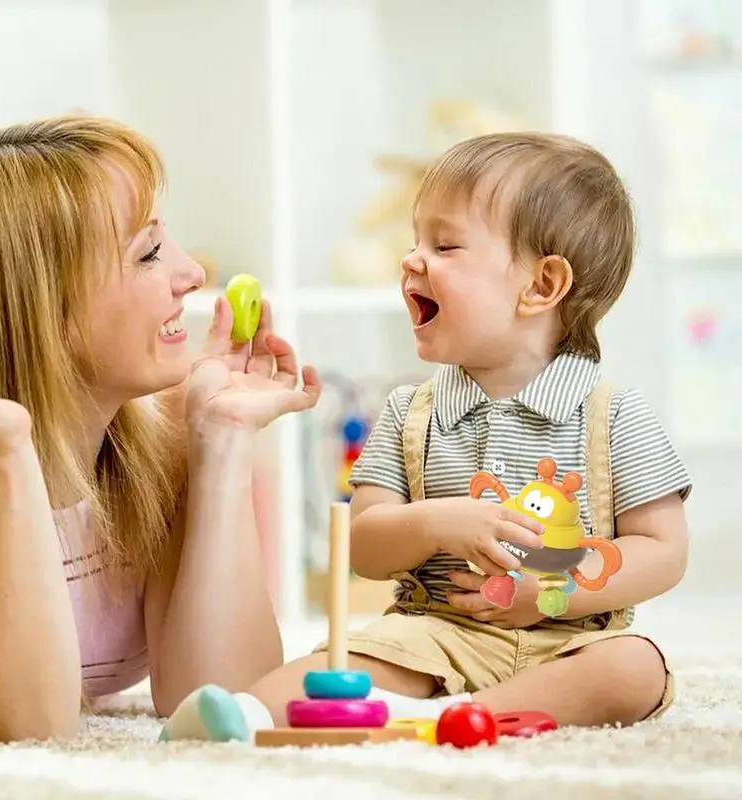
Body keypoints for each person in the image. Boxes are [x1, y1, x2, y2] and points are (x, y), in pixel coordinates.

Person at [163, 131, 691, 742]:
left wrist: (548, 596)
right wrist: (442, 523)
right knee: (327, 668)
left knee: (637, 668)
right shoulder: (411, 411)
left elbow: (662, 551)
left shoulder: (613, 413)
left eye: (444, 245)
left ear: (542, 287)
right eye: (414, 241)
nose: (411, 259)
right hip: (429, 638)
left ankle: (451, 720)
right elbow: (365, 548)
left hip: (567, 639)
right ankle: (247, 716)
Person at [0, 115, 320, 744]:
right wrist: (2, 456)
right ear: (49, 313)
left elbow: (217, 695)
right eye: (148, 253)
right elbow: (24, 728)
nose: (191, 273)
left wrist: (219, 439)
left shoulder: (157, 440)